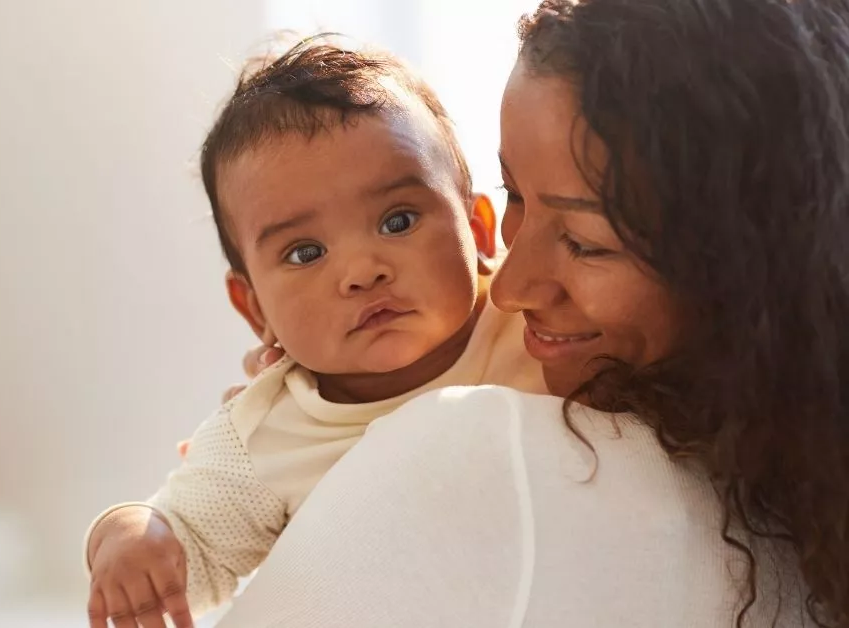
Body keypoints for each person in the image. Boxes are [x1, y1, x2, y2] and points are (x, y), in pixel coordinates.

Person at [212, 1, 849, 626]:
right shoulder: (801, 494)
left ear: (753, 267)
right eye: (514, 193)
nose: (508, 288)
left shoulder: (474, 447)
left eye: (586, 241)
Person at [84, 37, 546, 628]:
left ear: (479, 231)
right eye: (306, 253)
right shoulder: (268, 427)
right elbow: (189, 548)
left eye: (397, 220)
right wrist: (125, 535)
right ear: (255, 310)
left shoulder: (534, 316)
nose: (361, 271)